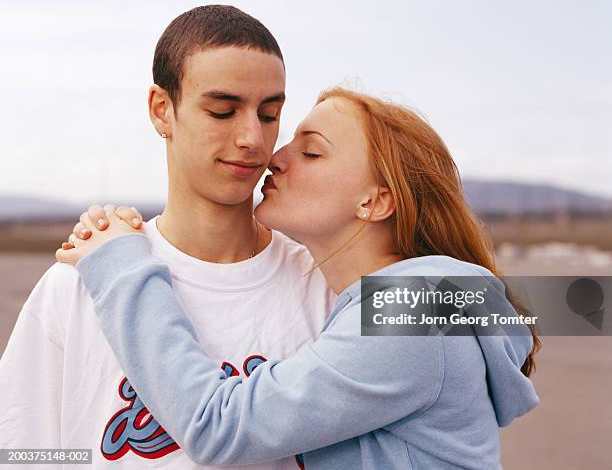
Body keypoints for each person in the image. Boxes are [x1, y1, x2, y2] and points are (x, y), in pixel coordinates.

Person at [57, 87, 540, 469]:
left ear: (374, 202)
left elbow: (218, 427)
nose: (274, 157)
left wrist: (122, 264)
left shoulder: (411, 314)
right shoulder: (390, 303)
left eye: (311, 154)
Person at [0, 5, 336, 469]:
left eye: (269, 113)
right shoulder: (78, 282)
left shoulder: (326, 283)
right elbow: (25, 452)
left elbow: (457, 311)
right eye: (223, 111)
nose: (252, 139)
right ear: (162, 110)